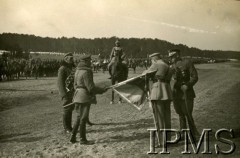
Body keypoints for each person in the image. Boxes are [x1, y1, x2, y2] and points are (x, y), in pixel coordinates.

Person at [70, 54, 108, 145]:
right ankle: (82, 139)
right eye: (89, 61)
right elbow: (91, 88)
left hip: (77, 96)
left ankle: (73, 136)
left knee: (78, 117)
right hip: (84, 97)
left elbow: (75, 85)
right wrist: (102, 90)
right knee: (83, 118)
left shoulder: (77, 70)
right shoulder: (87, 71)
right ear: (85, 61)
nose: (90, 62)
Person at [169, 48, 200, 139]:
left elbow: (195, 77)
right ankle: (183, 133)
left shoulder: (187, 63)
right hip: (176, 93)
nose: (171, 58)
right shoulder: (171, 66)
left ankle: (194, 133)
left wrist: (188, 85)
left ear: (177, 55)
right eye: (170, 57)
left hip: (186, 92)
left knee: (188, 113)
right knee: (180, 114)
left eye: (173, 56)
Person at [143, 52, 173, 146]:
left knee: (159, 117)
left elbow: (145, 74)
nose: (151, 62)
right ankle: (168, 139)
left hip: (158, 91)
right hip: (167, 90)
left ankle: (161, 141)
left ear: (154, 59)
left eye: (151, 60)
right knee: (167, 116)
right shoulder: (166, 65)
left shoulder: (155, 64)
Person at [57, 53, 75, 134]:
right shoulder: (62, 69)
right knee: (66, 109)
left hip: (72, 92)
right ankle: (66, 127)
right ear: (66, 59)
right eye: (70, 59)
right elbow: (60, 83)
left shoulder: (71, 68)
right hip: (66, 93)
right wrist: (63, 94)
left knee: (70, 109)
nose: (72, 60)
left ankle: (70, 126)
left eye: (72, 59)